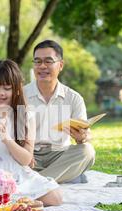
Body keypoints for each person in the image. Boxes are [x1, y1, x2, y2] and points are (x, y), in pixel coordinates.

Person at [0, 59, 62, 206]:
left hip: (17, 175)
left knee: (55, 197)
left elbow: (26, 159)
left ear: (17, 89)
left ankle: (12, 200)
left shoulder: (26, 117)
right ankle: (13, 201)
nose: (0, 93)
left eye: (7, 88)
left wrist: (6, 139)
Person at [24, 40, 95, 184]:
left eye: (48, 61)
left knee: (87, 151)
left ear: (60, 65)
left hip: (60, 155)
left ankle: (35, 183)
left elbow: (83, 135)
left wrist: (82, 137)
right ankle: (56, 179)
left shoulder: (74, 98)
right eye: (37, 61)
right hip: (29, 154)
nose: (42, 66)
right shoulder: (21, 95)